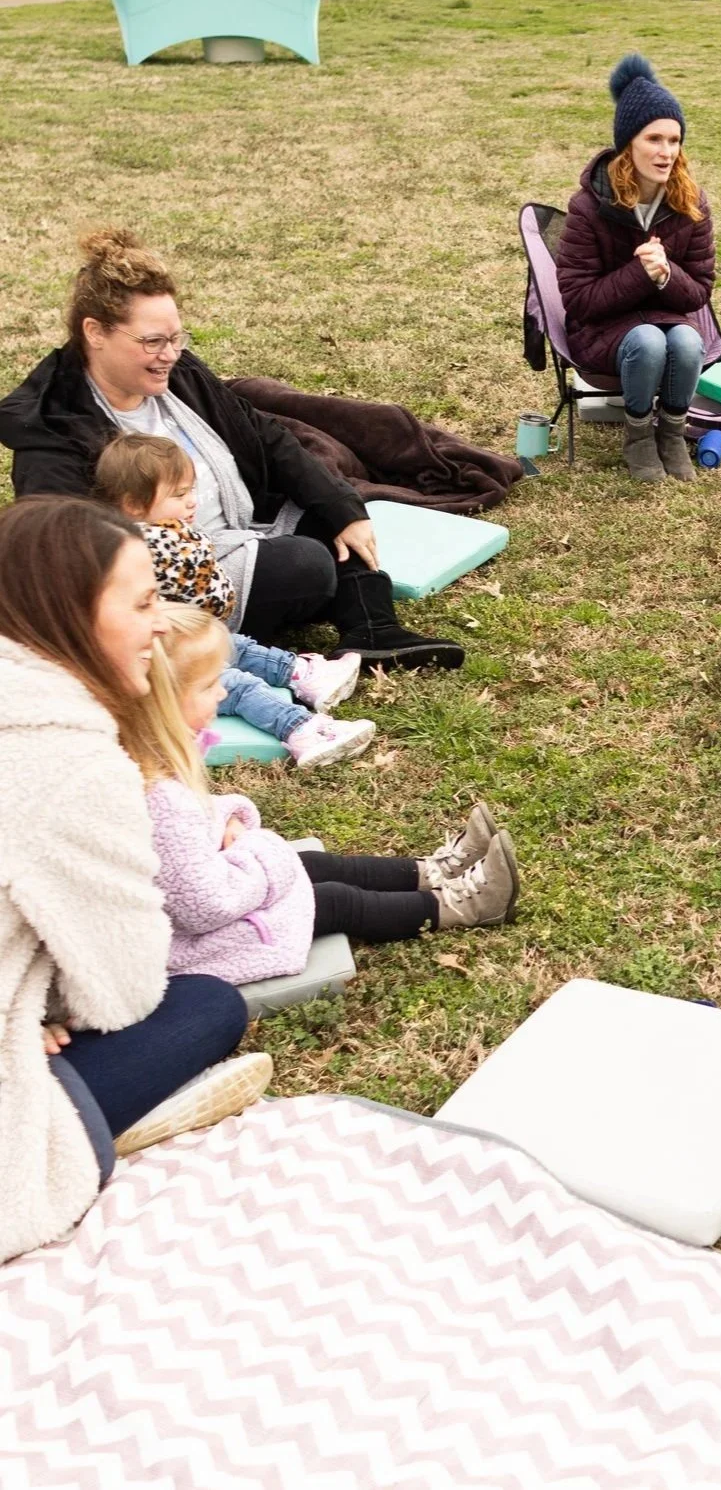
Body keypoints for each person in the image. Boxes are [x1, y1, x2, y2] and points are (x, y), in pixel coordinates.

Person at [0, 496, 267, 1264]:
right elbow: (124, 992)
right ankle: (95, 1126)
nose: (162, 623)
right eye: (146, 601)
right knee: (207, 1005)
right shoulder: (71, 763)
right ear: (72, 612)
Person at [0, 228, 464, 668]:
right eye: (153, 341)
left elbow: (263, 433)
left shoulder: (179, 377)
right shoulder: (52, 424)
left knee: (330, 507)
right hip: (170, 578)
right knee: (306, 565)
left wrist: (344, 509)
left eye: (177, 338)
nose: (170, 354)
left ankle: (374, 632)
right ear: (95, 332)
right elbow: (65, 547)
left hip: (239, 528)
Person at [142, 606, 520, 983]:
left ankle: (434, 872)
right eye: (210, 685)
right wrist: (260, 853)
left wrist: (224, 820)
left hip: (191, 902)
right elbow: (205, 906)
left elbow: (187, 832)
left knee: (314, 865)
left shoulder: (158, 753)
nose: (224, 691)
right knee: (334, 901)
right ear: (163, 699)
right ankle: (465, 906)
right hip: (183, 944)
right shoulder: (159, 789)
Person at [94, 433, 376, 770]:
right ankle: (302, 729)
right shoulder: (172, 543)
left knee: (232, 645)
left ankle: (302, 673)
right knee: (235, 685)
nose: (191, 502)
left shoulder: (107, 541)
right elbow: (215, 604)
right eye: (180, 494)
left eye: (191, 491)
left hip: (156, 648)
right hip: (155, 667)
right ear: (134, 504)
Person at [557, 53, 716, 485]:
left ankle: (672, 434)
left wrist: (667, 275)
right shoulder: (589, 207)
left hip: (669, 319)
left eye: (674, 140)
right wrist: (639, 274)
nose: (666, 152)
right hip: (601, 330)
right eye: (654, 139)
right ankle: (639, 437)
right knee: (647, 341)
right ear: (629, 143)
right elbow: (579, 301)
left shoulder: (690, 203)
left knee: (685, 340)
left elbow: (699, 291)